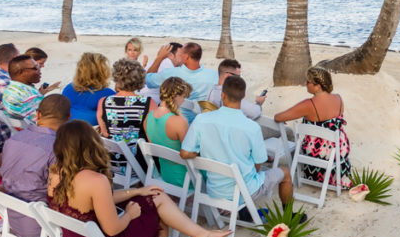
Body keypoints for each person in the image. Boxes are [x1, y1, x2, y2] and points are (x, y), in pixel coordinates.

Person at [48, 120, 231, 237]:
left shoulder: (56, 173)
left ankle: (198, 235)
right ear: (90, 145)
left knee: (152, 196)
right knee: (156, 212)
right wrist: (129, 213)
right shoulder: (97, 180)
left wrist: (135, 192)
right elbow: (112, 229)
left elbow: (97, 201)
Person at [181, 75, 294, 214]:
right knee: (285, 173)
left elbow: (185, 153)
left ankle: (244, 212)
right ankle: (289, 216)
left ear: (222, 95)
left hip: (214, 190)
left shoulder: (201, 120)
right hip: (242, 193)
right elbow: (259, 162)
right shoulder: (251, 127)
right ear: (244, 96)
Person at [0, 94, 71, 237]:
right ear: (69, 117)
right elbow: (60, 195)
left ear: (38, 115)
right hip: (40, 226)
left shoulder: (14, 139)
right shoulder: (59, 148)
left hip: (11, 217)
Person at [273, 66, 351, 188]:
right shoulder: (339, 99)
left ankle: (314, 175)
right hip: (339, 149)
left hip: (317, 151)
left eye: (308, 82)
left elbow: (278, 117)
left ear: (318, 85)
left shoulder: (308, 104)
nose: (306, 84)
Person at [98, 58, 153, 177]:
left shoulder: (104, 102)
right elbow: (151, 138)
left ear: (117, 78)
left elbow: (105, 134)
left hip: (110, 164)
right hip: (136, 165)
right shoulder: (148, 103)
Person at [144, 77, 192, 186]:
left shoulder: (148, 117)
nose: (184, 100)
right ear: (176, 96)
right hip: (184, 179)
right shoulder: (179, 121)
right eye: (183, 96)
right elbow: (189, 152)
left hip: (165, 174)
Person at [145, 41, 217, 105]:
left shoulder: (170, 74)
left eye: (181, 54)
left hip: (177, 117)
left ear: (186, 57)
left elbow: (148, 80)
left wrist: (159, 57)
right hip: (203, 116)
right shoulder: (215, 75)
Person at [62, 52, 115, 125]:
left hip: (70, 131)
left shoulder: (68, 89)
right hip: (94, 133)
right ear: (102, 72)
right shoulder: (108, 94)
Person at [1, 54, 44, 122]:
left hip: (20, 131)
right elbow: (43, 122)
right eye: (36, 67)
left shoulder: (9, 90)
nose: (39, 70)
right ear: (21, 72)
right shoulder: (32, 97)